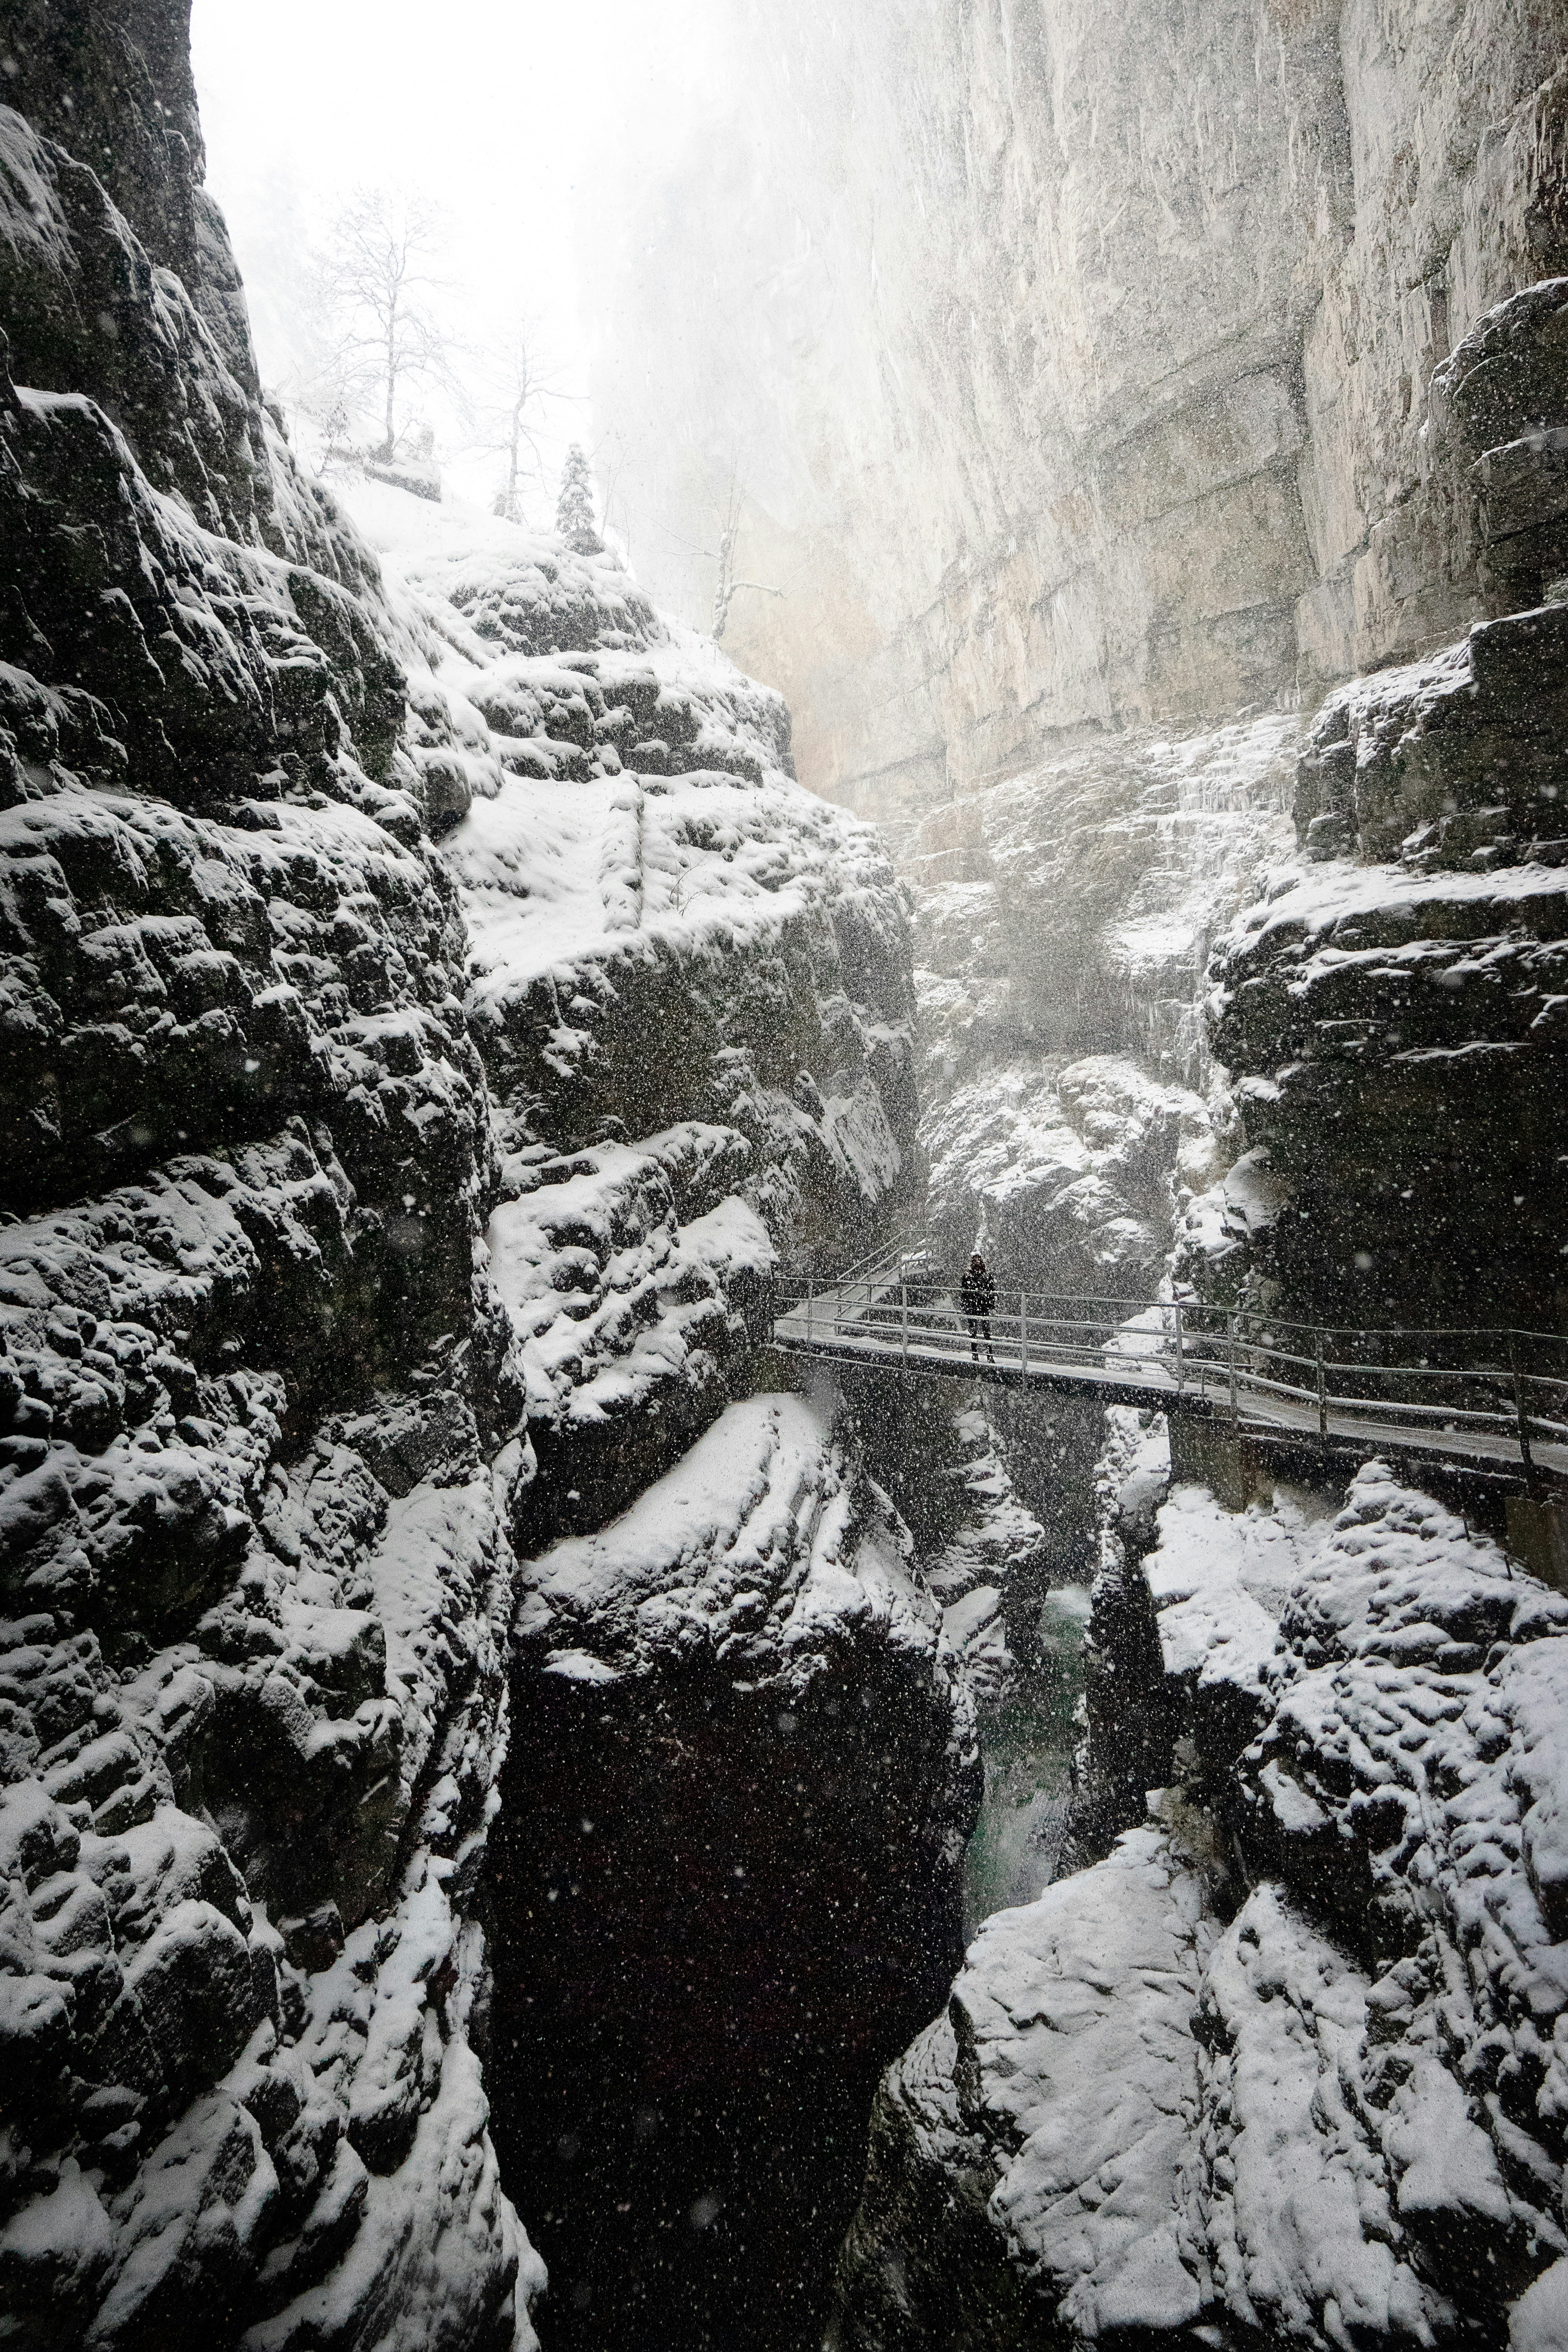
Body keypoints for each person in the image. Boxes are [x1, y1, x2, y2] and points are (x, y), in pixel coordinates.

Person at [959, 1252, 996, 1364]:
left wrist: (964, 1306)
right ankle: (988, 1355)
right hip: (981, 1306)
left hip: (974, 1306)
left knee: (975, 1332)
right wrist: (992, 1306)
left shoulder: (968, 1276)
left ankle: (977, 1355)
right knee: (985, 1332)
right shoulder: (986, 1275)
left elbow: (964, 1293)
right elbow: (992, 1291)